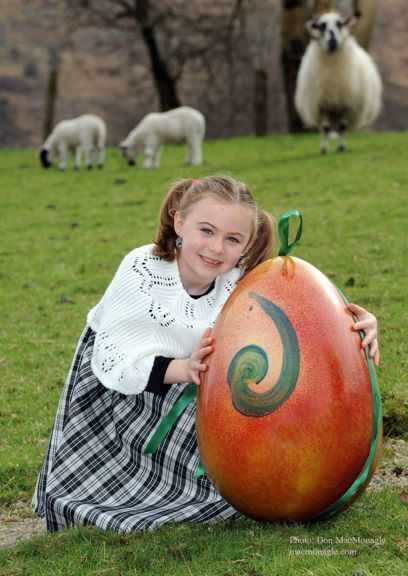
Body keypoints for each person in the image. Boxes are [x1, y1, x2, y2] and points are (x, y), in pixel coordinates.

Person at [32, 175, 379, 532]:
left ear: (247, 242)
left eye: (232, 239)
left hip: (192, 377)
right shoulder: (141, 270)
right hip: (123, 392)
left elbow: (299, 314)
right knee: (118, 494)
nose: (216, 248)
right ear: (179, 222)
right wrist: (182, 369)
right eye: (207, 231)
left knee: (226, 463)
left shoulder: (240, 278)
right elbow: (115, 357)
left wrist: (350, 324)